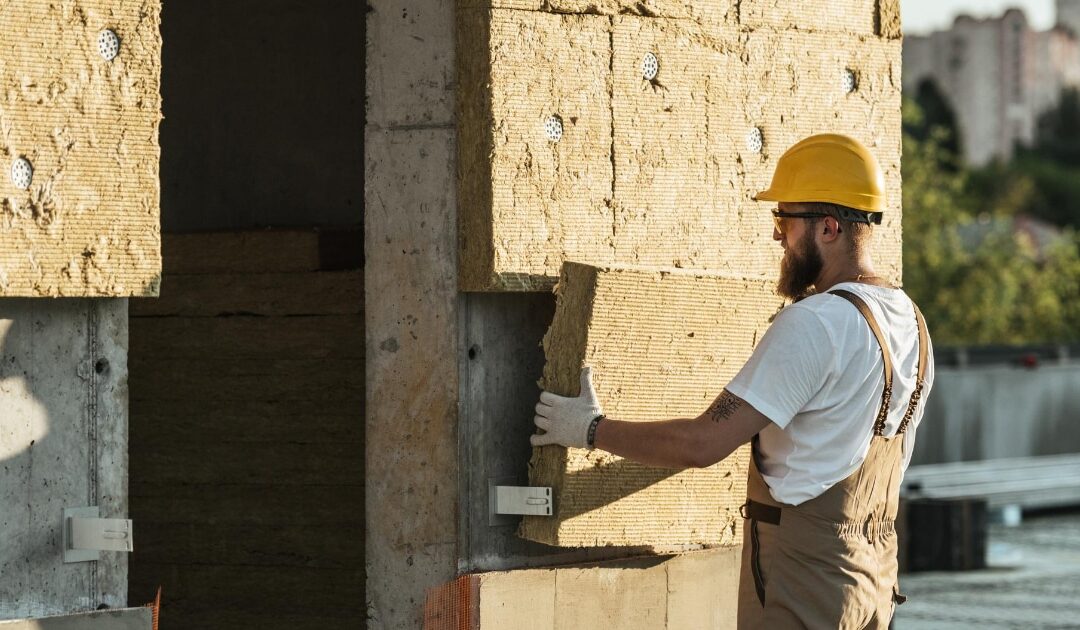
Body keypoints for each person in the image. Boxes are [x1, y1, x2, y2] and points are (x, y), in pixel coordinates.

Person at [531, 133, 934, 629]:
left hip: (806, 584)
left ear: (828, 227)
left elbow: (703, 443)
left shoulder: (817, 324)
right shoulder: (911, 321)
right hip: (871, 585)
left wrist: (591, 429)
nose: (776, 236)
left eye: (785, 220)